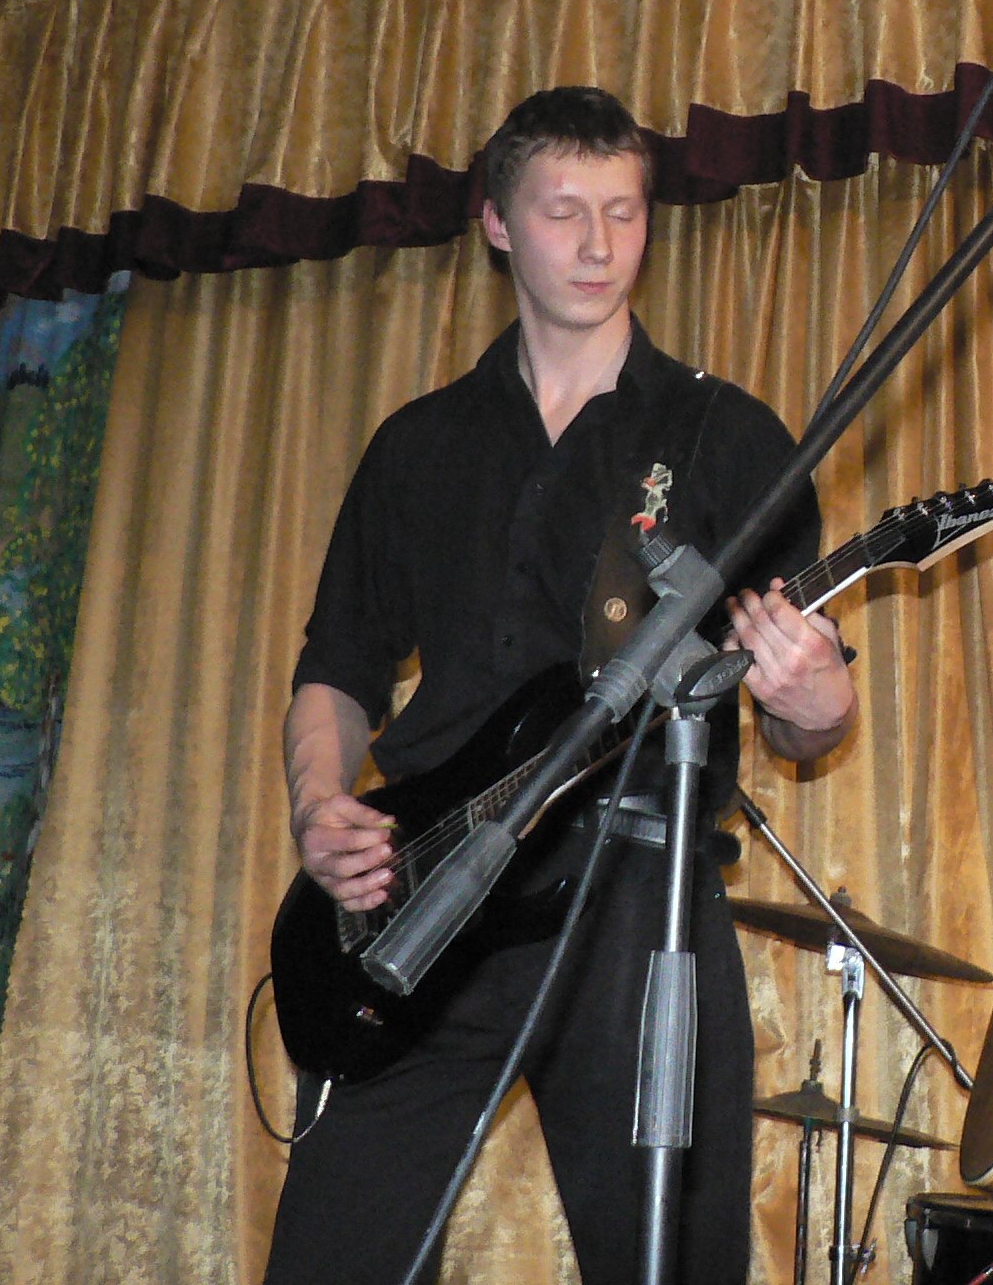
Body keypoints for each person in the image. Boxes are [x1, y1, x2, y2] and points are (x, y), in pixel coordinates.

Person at [266, 87, 856, 1285]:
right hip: (426, 893)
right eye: (563, 212)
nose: (597, 245)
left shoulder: (723, 434)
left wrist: (815, 700)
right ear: (496, 223)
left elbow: (808, 716)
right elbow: (337, 669)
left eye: (624, 213)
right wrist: (321, 805)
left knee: (671, 1263)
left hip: (636, 901)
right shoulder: (418, 445)